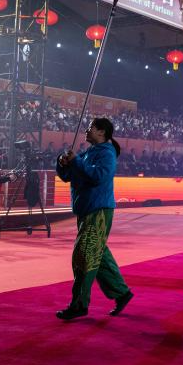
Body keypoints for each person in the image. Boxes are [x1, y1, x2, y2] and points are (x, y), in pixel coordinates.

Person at [54, 118, 133, 320]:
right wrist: (63, 163)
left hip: (98, 210)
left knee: (84, 255)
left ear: (101, 132)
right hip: (87, 209)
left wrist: (77, 162)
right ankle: (122, 293)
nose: (86, 131)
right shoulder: (90, 153)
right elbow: (69, 175)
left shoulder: (106, 154)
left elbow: (98, 176)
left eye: (90, 128)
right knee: (98, 254)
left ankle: (79, 304)